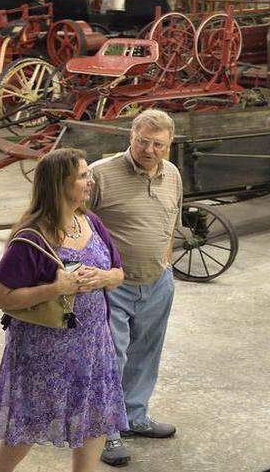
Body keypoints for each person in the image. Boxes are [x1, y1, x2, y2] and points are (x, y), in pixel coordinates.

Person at [0, 148, 127, 472]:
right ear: (60, 184)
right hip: (44, 349)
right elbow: (1, 296)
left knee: (94, 419)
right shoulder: (32, 236)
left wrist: (104, 277)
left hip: (92, 344)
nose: (90, 181)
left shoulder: (90, 221)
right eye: (83, 175)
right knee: (29, 422)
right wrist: (56, 288)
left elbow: (119, 273)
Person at [88, 109, 182, 467]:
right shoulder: (101, 173)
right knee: (111, 357)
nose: (149, 150)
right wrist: (96, 276)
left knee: (146, 353)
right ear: (131, 135)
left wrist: (165, 261)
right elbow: (75, 225)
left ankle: (134, 416)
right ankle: (106, 430)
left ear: (169, 144)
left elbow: (172, 218)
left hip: (157, 280)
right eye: (143, 141)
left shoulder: (172, 173)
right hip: (114, 284)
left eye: (158, 144)